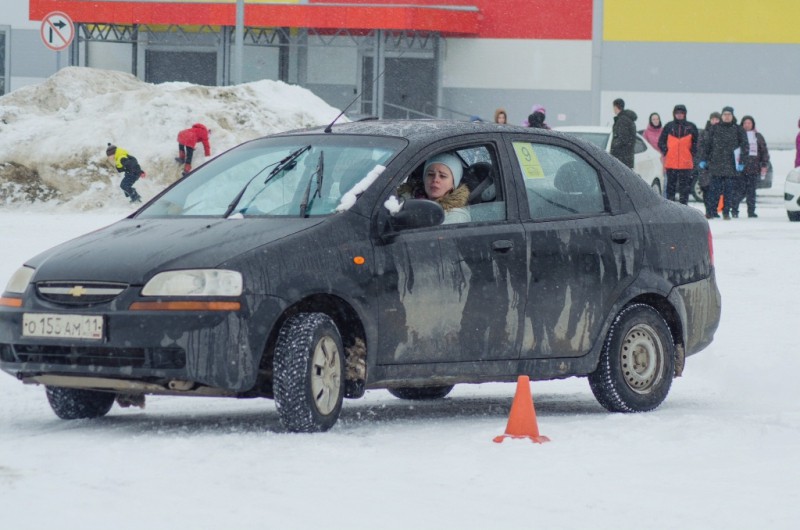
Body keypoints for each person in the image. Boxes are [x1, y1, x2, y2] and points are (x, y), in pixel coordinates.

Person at [699, 106, 749, 220]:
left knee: (729, 192)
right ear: (722, 116)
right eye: (725, 115)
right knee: (713, 191)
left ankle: (726, 212)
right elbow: (707, 146)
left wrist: (742, 162)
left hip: (731, 167)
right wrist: (703, 159)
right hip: (716, 165)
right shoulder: (714, 128)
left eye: (729, 115)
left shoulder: (738, 129)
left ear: (732, 116)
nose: (727, 117)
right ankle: (711, 212)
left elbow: (745, 147)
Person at [397, 153, 470, 224]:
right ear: (424, 178)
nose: (435, 179)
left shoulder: (455, 216)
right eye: (430, 174)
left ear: (453, 184)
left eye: (442, 176)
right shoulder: (402, 197)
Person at [658, 104, 698, 204]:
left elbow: (696, 142)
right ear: (674, 114)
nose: (679, 115)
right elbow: (661, 142)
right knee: (670, 187)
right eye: (677, 113)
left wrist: (691, 152)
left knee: (684, 188)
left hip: (686, 163)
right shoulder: (669, 126)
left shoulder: (691, 127)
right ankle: (670, 206)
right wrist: (667, 151)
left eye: (681, 113)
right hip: (671, 163)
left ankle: (684, 206)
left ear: (685, 114)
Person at [735, 115, 769, 218]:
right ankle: (734, 210)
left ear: (752, 124)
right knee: (739, 191)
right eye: (745, 123)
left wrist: (764, 163)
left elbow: (764, 151)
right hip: (740, 168)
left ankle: (751, 211)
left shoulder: (758, 136)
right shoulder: (738, 135)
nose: (747, 125)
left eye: (749, 123)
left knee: (751, 192)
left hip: (754, 168)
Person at [697, 112, 721, 218]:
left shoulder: (722, 133)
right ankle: (708, 210)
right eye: (713, 119)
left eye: (717, 119)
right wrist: (702, 160)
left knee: (716, 190)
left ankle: (714, 210)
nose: (715, 121)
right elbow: (700, 147)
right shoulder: (704, 132)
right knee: (706, 188)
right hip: (705, 166)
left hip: (718, 165)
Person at [610, 98, 637, 169]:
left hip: (621, 157)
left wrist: (613, 146)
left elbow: (623, 139)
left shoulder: (622, 121)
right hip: (627, 157)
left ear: (616, 107)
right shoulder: (628, 119)